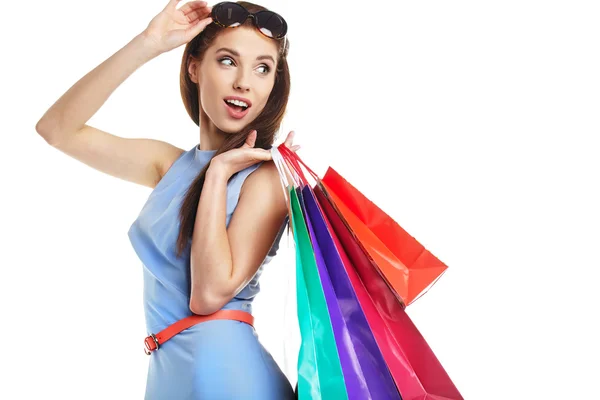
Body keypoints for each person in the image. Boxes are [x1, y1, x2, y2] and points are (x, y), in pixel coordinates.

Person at [35, 1, 299, 398]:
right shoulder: (169, 165)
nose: (245, 81)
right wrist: (149, 42)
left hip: (228, 377)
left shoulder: (263, 179)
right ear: (194, 67)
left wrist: (219, 174)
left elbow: (209, 294)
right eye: (228, 61)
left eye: (263, 68)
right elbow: (56, 130)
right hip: (169, 375)